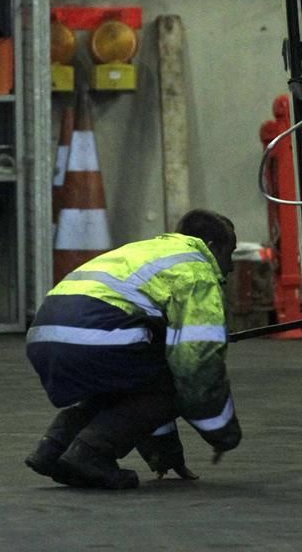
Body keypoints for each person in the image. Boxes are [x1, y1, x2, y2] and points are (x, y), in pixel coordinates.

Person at [24, 208, 242, 490]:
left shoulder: (146, 251)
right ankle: (91, 453)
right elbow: (195, 366)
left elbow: (142, 389)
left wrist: (164, 455)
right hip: (95, 337)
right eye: (230, 252)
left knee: (130, 382)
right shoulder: (196, 271)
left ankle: (53, 449)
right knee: (177, 380)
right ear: (211, 247)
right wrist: (223, 434)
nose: (232, 265)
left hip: (44, 335)